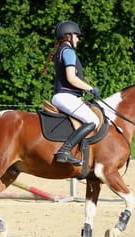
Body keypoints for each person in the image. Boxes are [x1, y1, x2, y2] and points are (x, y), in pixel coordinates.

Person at [42, 20, 101, 166]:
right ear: (68, 36)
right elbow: (71, 78)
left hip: (64, 96)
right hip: (65, 97)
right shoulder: (68, 52)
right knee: (93, 120)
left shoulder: (60, 50)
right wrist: (90, 88)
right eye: (77, 36)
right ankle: (65, 151)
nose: (78, 39)